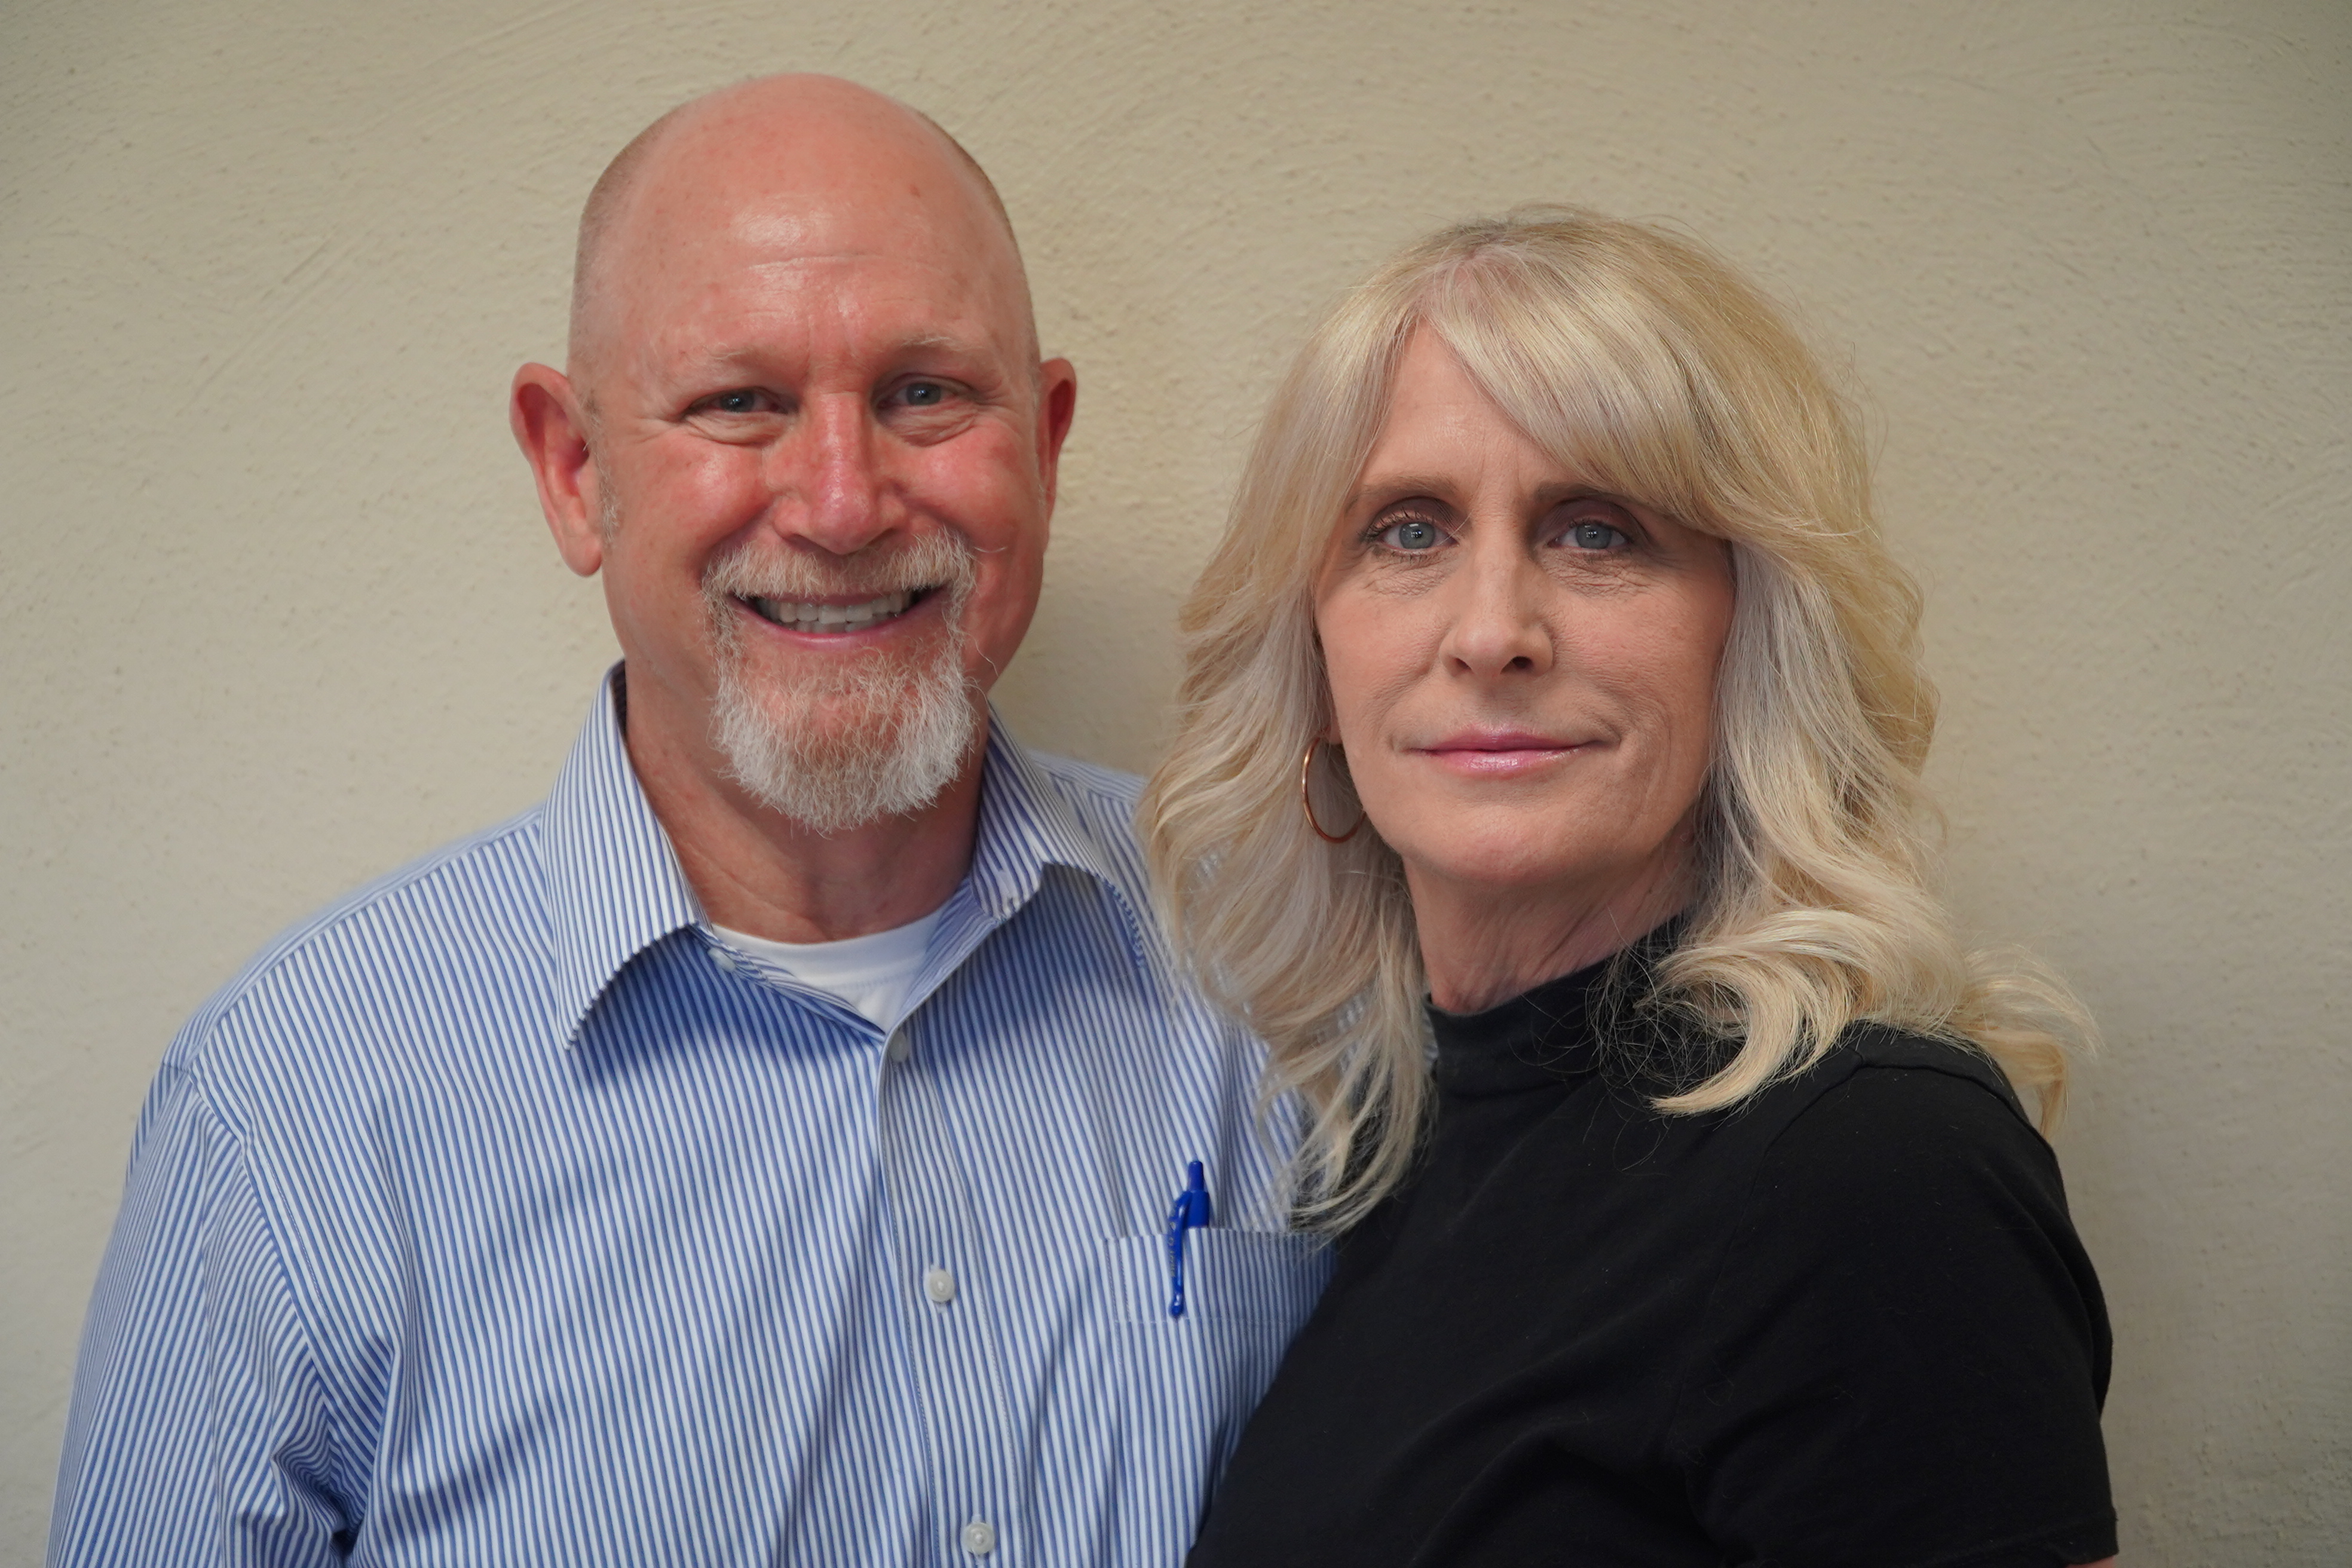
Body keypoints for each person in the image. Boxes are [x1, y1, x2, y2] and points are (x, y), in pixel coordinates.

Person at [49, 75, 1329, 1566]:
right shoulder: (291, 1120)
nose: (843, 504)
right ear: (574, 469)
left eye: (925, 392)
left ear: (1042, 444)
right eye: (741, 403)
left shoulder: (1281, 960)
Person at [1143, 209, 2118, 1567]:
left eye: (1597, 531)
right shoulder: (1378, 1153)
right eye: (1409, 531)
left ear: (1750, 634)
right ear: (1314, 654)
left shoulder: (1867, 1170)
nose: (1493, 632)